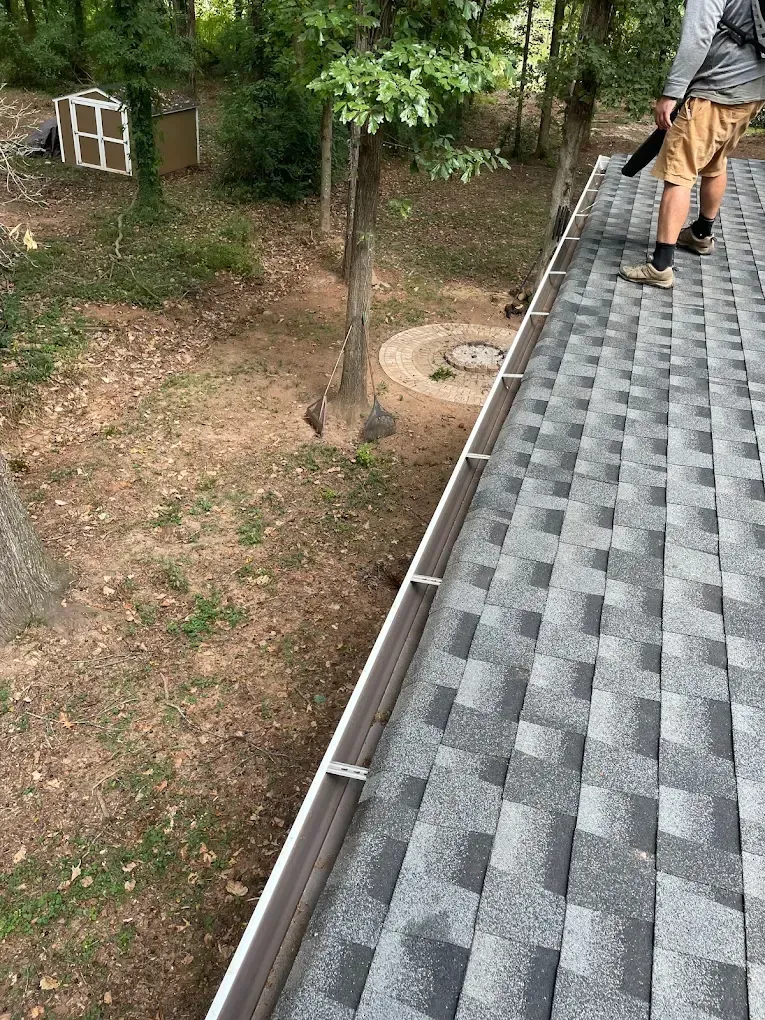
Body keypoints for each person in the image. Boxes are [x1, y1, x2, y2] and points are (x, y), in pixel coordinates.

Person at [620, 0, 765, 289]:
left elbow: (697, 37)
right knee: (715, 160)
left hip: (716, 88)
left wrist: (671, 93)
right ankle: (700, 235)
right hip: (753, 91)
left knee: (679, 172)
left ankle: (660, 266)